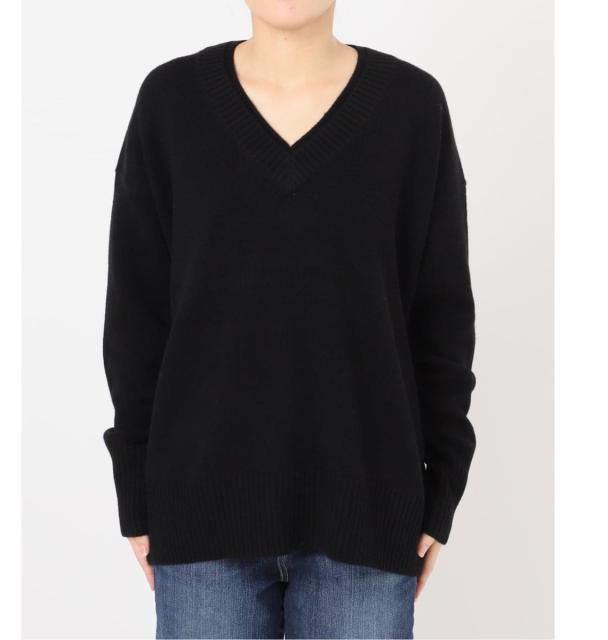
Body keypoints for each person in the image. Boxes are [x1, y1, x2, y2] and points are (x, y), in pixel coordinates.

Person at [102, 1, 476, 638]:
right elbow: (136, 316)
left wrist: (442, 487)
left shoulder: (412, 108)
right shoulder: (171, 103)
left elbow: (440, 317)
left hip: (368, 514)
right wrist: (135, 489)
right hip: (200, 514)